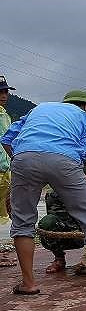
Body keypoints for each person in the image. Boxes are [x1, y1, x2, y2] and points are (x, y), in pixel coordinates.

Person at [1, 89, 86, 294]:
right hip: (64, 158)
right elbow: (82, 151)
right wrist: (64, 164)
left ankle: (29, 284)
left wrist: (22, 161)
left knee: (23, 222)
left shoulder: (38, 109)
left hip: (23, 157)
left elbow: (7, 139)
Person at [0, 75, 14, 226]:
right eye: (0, 92)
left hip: (5, 172)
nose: (4, 95)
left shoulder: (5, 116)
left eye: (5, 92)